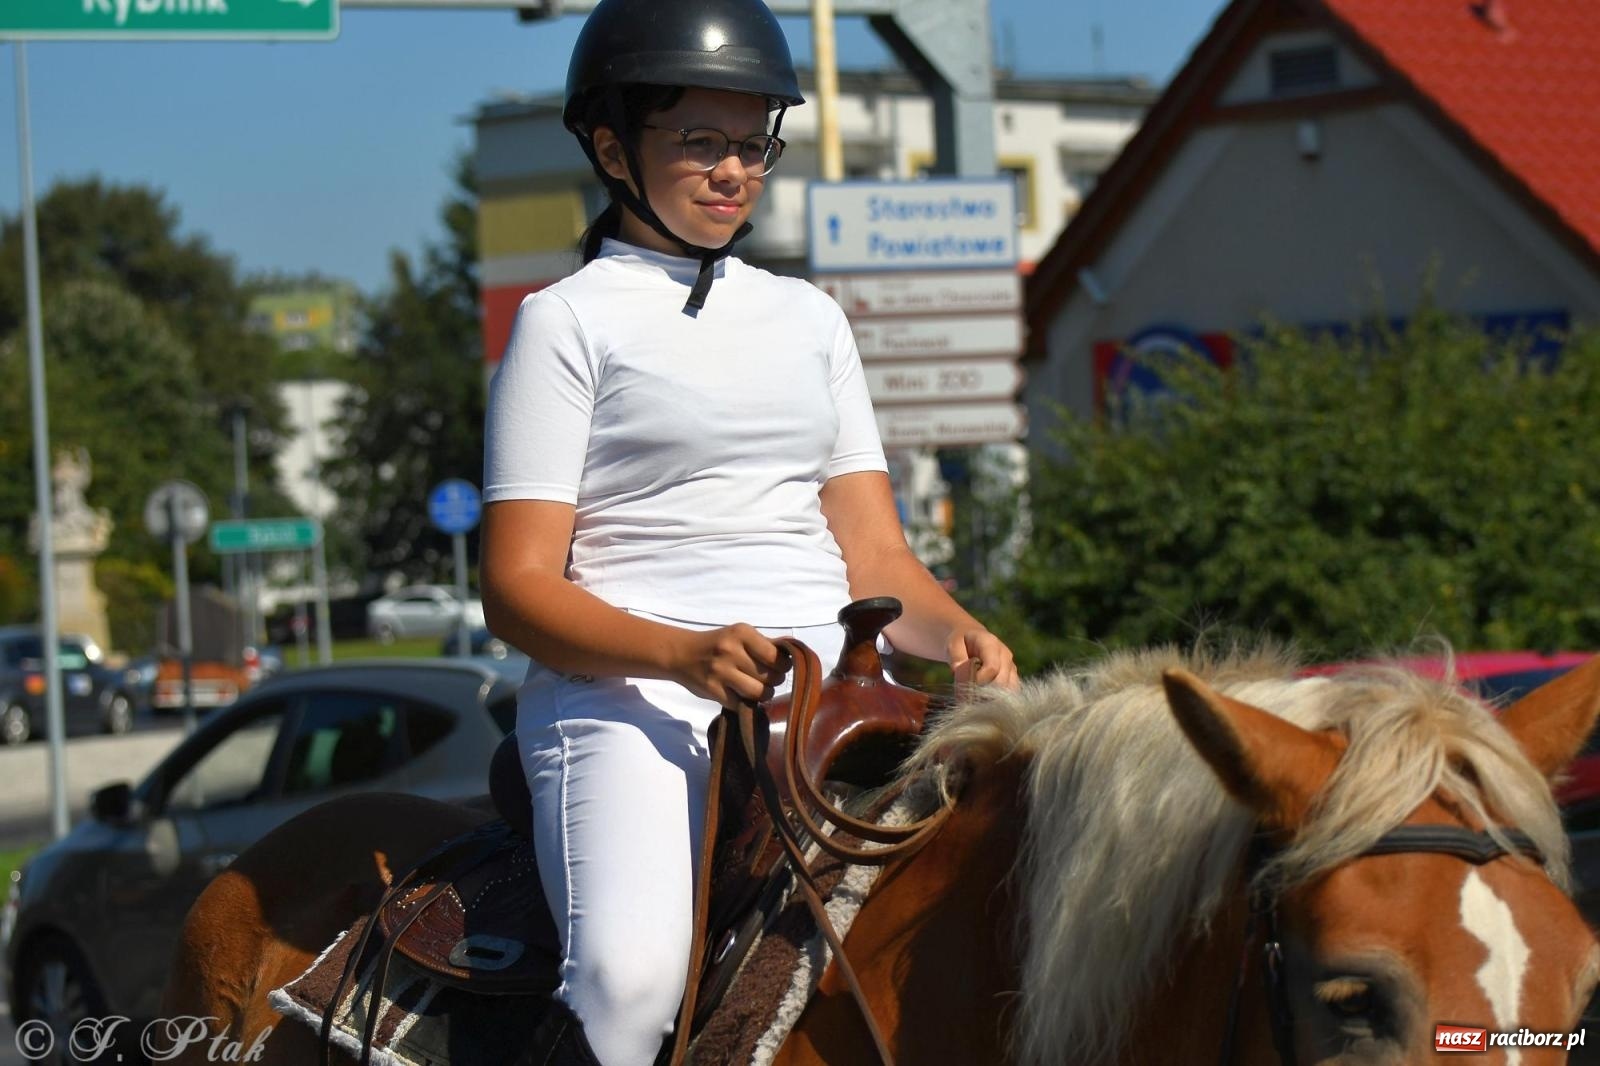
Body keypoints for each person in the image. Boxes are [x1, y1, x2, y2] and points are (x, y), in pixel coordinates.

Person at [480, 1, 1019, 1062]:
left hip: (834, 692)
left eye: (753, 144)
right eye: (700, 142)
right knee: (628, 988)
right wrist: (678, 651)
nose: (735, 170)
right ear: (609, 146)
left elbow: (876, 558)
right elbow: (515, 586)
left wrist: (961, 633)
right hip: (632, 698)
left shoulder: (810, 318)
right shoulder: (565, 320)